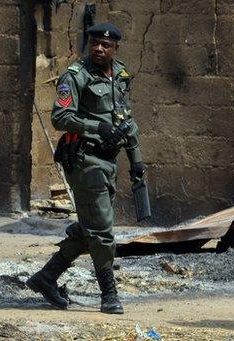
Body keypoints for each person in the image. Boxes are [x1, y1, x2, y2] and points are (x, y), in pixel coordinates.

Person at [25, 22, 146, 314]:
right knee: (102, 231)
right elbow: (60, 116)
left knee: (90, 227)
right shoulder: (76, 76)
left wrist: (136, 160)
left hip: (109, 161)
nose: (99, 49)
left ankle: (46, 278)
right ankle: (109, 295)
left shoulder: (120, 74)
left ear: (115, 48)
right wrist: (96, 127)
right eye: (94, 43)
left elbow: (126, 120)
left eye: (106, 45)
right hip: (85, 160)